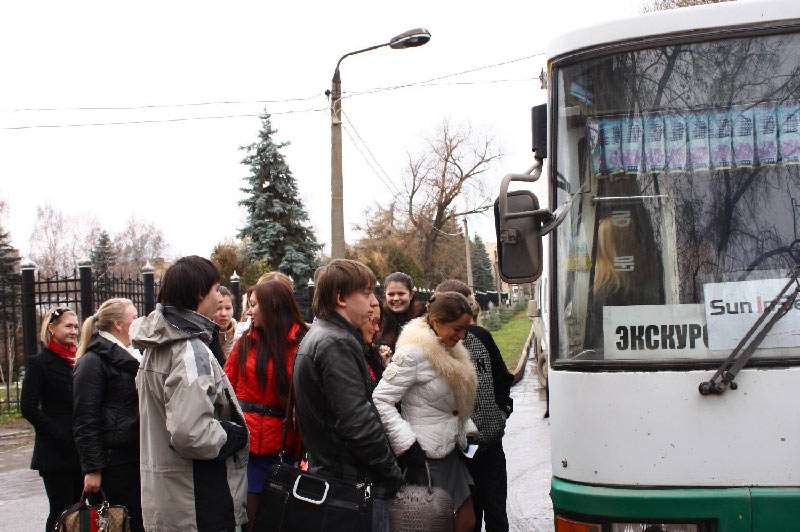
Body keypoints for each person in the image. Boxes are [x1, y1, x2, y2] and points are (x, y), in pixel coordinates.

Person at [131, 255, 249, 532]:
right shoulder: (188, 349)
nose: (219, 300)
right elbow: (192, 434)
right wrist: (234, 435)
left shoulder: (157, 344)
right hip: (196, 500)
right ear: (199, 293)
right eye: (214, 290)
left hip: (169, 497)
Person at [293, 259, 403, 532]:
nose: (373, 302)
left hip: (336, 480)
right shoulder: (336, 342)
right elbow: (358, 424)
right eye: (365, 294)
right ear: (340, 298)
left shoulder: (325, 335)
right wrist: (393, 474)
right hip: (349, 487)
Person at [373, 291, 478, 532]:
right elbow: (381, 400)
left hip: (450, 452)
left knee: (465, 521)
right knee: (437, 524)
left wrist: (466, 429)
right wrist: (408, 445)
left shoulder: (447, 346)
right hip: (427, 458)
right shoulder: (412, 353)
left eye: (465, 329)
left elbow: (450, 402)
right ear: (437, 322)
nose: (462, 336)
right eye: (457, 329)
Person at [224, 280, 307, 532]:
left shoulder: (301, 343)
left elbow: (306, 404)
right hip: (247, 449)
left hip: (284, 449)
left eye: (253, 306)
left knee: (282, 521)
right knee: (251, 521)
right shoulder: (244, 343)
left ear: (272, 306)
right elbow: (226, 389)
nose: (248, 312)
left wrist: (303, 452)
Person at [436, 279, 514, 532]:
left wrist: (501, 411)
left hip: (488, 444)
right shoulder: (429, 347)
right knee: (466, 518)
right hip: (453, 451)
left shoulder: (480, 338)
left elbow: (502, 377)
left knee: (495, 514)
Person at [72, 298, 144, 532]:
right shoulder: (93, 362)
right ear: (117, 324)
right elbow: (85, 419)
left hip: (134, 457)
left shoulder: (131, 356)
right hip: (114, 464)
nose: (138, 321)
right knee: (119, 523)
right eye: (133, 317)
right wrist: (92, 469)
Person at [20, 306, 83, 532]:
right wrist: (58, 432)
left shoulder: (80, 358)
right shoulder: (39, 363)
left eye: (76, 326)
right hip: (55, 452)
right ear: (51, 328)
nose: (74, 331)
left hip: (81, 447)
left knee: (80, 510)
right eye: (68, 326)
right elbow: (28, 407)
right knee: (61, 511)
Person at [378, 271, 425, 352]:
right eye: (391, 294)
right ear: (385, 295)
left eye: (401, 294)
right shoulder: (378, 320)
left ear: (411, 295)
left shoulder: (423, 319)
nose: (396, 298)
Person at [359, 303, 392, 393]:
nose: (377, 328)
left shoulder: (371, 352)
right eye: (373, 321)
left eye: (378, 322)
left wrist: (385, 366)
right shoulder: (346, 351)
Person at [214, 285, 238, 357]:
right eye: (218, 308)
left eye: (228, 308)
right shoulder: (204, 338)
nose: (223, 314)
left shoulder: (241, 337)